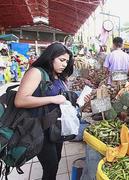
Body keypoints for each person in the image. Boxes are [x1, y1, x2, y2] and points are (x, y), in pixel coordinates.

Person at [14, 42, 90, 180]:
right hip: (39, 130)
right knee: (50, 168)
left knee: (56, 162)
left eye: (67, 61)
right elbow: (20, 101)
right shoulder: (36, 72)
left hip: (55, 129)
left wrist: (81, 101)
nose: (65, 64)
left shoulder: (58, 76)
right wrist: (52, 99)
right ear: (50, 57)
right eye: (61, 60)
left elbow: (63, 101)